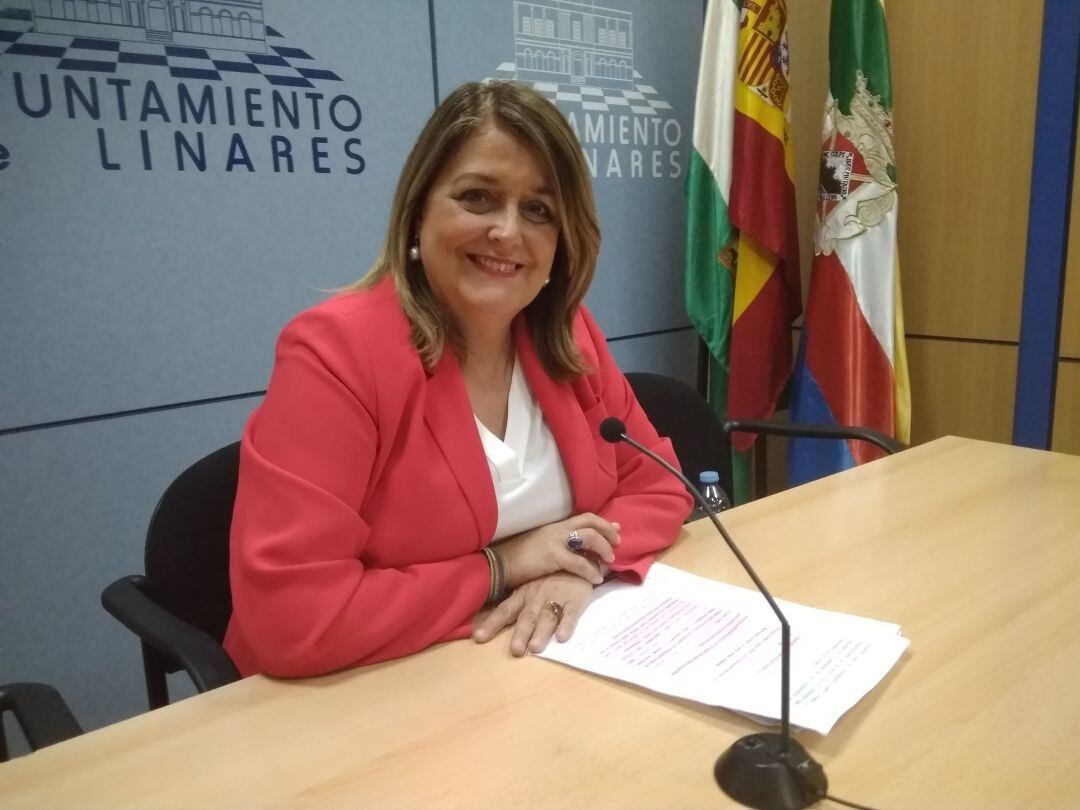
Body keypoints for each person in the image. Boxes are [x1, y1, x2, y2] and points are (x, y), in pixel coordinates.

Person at [224, 80, 693, 679]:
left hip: (529, 674)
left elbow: (659, 489)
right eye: (477, 197)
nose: (507, 232)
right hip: (356, 701)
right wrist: (501, 568)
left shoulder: (568, 336)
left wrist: (573, 568)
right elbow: (292, 618)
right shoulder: (336, 354)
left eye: (538, 210)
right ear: (419, 210)